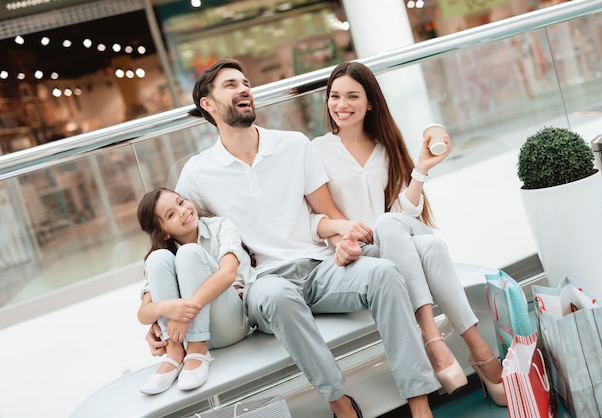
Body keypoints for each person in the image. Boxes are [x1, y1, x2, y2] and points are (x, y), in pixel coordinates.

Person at [145, 58, 439, 418]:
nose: (243, 89)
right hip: (262, 284)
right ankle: (340, 403)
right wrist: (157, 314)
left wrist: (344, 240)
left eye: (245, 82)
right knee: (279, 296)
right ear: (208, 104)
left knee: (385, 273)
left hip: (320, 268)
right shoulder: (197, 173)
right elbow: (169, 244)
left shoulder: (293, 145)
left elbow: (329, 214)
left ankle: (420, 403)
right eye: (230, 85)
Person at [311, 61, 506, 406]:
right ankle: (480, 351)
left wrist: (423, 169)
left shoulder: (385, 145)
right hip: (360, 255)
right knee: (429, 245)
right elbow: (318, 213)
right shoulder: (316, 151)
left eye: (352, 96)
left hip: (393, 237)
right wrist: (341, 240)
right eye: (335, 96)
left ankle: (433, 339)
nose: (341, 104)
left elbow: (403, 213)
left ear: (371, 102)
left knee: (389, 222)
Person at [136, 188, 255, 394]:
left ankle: (199, 350)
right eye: (171, 214)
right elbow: (143, 314)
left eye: (181, 202)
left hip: (230, 323)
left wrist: (184, 315)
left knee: (189, 252)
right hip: (184, 338)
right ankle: (175, 355)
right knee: (156, 258)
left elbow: (227, 274)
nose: (182, 211)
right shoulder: (165, 254)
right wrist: (169, 308)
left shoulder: (221, 226)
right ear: (163, 232)